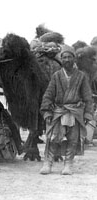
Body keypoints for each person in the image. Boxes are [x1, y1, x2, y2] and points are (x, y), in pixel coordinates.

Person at [39, 45, 93, 175]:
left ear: (74, 59)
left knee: (73, 140)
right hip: (59, 111)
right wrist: (46, 111)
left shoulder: (81, 76)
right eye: (64, 57)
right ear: (61, 59)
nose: (67, 60)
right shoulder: (56, 76)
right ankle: (48, 163)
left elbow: (88, 97)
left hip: (75, 112)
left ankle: (68, 164)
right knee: (53, 138)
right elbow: (48, 94)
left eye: (69, 57)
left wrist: (87, 113)